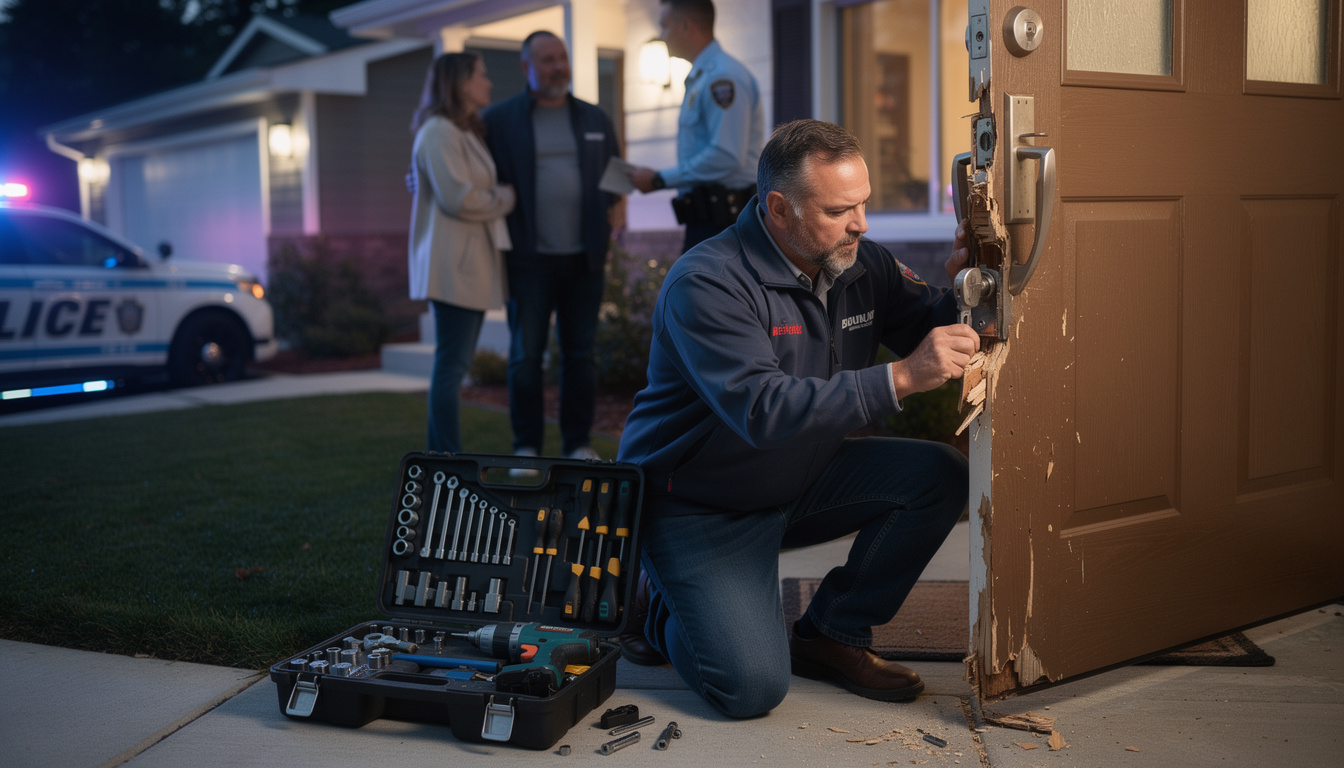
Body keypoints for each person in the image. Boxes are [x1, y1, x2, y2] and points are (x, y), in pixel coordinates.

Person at [615, 119, 979, 718]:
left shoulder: (863, 264)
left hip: (801, 477)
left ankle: (832, 634)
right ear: (779, 209)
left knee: (937, 474)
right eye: (840, 210)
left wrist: (965, 289)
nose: (861, 224)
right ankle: (657, 603)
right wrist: (903, 377)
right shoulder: (706, 283)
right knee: (750, 688)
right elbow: (762, 410)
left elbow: (929, 326)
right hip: (701, 504)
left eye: (863, 203)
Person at [482, 31, 622, 462]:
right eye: (547, 60)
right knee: (526, 357)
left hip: (585, 258)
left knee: (580, 355)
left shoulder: (594, 118)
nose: (558, 66)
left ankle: (577, 443)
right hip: (528, 260)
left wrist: (610, 236)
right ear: (526, 67)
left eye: (562, 58)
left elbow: (615, 182)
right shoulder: (500, 119)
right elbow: (469, 167)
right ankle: (526, 447)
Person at [408, 52, 515, 453]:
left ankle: (443, 456)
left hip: (467, 264)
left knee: (453, 366)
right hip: (453, 265)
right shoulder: (438, 132)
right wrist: (506, 197)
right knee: (451, 367)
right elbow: (459, 198)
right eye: (481, 75)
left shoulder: (462, 132)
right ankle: (447, 458)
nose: (488, 83)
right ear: (461, 82)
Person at [627, 0, 765, 251]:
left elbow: (726, 156)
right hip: (708, 220)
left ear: (686, 26)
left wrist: (660, 180)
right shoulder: (703, 77)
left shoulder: (722, 78)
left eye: (664, 27)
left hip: (724, 223)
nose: (661, 36)